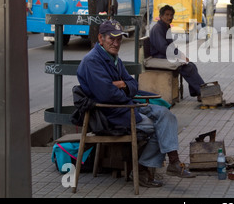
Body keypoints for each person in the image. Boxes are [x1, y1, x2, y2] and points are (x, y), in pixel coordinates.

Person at [76, 19, 195, 188]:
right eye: (112, 39)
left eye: (119, 39)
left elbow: (133, 85)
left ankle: (174, 163)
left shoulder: (113, 58)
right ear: (100, 38)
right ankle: (141, 169)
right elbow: (106, 94)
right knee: (157, 127)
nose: (116, 43)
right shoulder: (92, 61)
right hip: (111, 114)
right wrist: (123, 87)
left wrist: (122, 85)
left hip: (127, 105)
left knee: (166, 115)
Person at [150, 5, 205, 100]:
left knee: (191, 65)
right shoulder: (158, 28)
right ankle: (202, 92)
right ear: (161, 16)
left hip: (165, 55)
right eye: (167, 15)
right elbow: (163, 48)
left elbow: (171, 46)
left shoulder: (166, 27)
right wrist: (178, 56)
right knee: (188, 68)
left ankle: (198, 92)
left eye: (171, 15)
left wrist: (181, 55)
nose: (169, 17)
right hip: (159, 56)